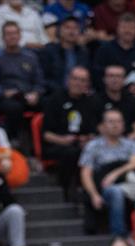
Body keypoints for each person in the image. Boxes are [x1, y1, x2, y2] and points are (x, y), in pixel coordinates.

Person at [78, 109, 135, 237]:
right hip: (104, 188)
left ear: (123, 125)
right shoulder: (93, 146)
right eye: (111, 121)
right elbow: (85, 173)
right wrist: (94, 195)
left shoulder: (130, 144)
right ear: (103, 126)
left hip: (128, 183)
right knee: (116, 191)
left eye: (118, 121)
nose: (115, 125)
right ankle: (119, 235)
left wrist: (115, 174)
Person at [41, 66, 98, 199]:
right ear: (68, 80)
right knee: (71, 152)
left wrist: (87, 139)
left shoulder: (92, 102)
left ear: (88, 84)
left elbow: (95, 131)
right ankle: (69, 189)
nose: (78, 83)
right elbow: (46, 134)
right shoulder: (54, 99)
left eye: (83, 80)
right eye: (75, 79)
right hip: (58, 144)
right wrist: (62, 140)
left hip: (83, 144)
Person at [0, 21, 45, 143]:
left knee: (49, 103)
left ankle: (44, 143)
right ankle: (13, 139)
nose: (12, 37)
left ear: (20, 35)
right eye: (8, 34)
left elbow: (40, 81)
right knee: (13, 107)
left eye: (15, 33)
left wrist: (36, 93)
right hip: (6, 97)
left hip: (28, 95)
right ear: (3, 37)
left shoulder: (31, 56)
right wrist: (2, 92)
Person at [93, 11, 135, 86]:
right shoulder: (105, 50)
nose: (127, 31)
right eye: (124, 27)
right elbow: (97, 74)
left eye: (131, 28)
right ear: (117, 29)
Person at [39, 17, 89, 95]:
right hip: (54, 94)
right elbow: (42, 78)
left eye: (75, 28)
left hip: (79, 95)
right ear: (59, 30)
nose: (71, 31)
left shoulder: (83, 52)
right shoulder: (48, 51)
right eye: (67, 27)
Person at [92, 63, 135, 137]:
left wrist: (126, 141)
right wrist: (116, 141)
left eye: (119, 76)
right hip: (104, 140)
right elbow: (97, 127)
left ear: (124, 80)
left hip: (129, 140)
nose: (115, 79)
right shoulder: (95, 100)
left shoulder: (131, 100)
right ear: (104, 79)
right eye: (111, 76)